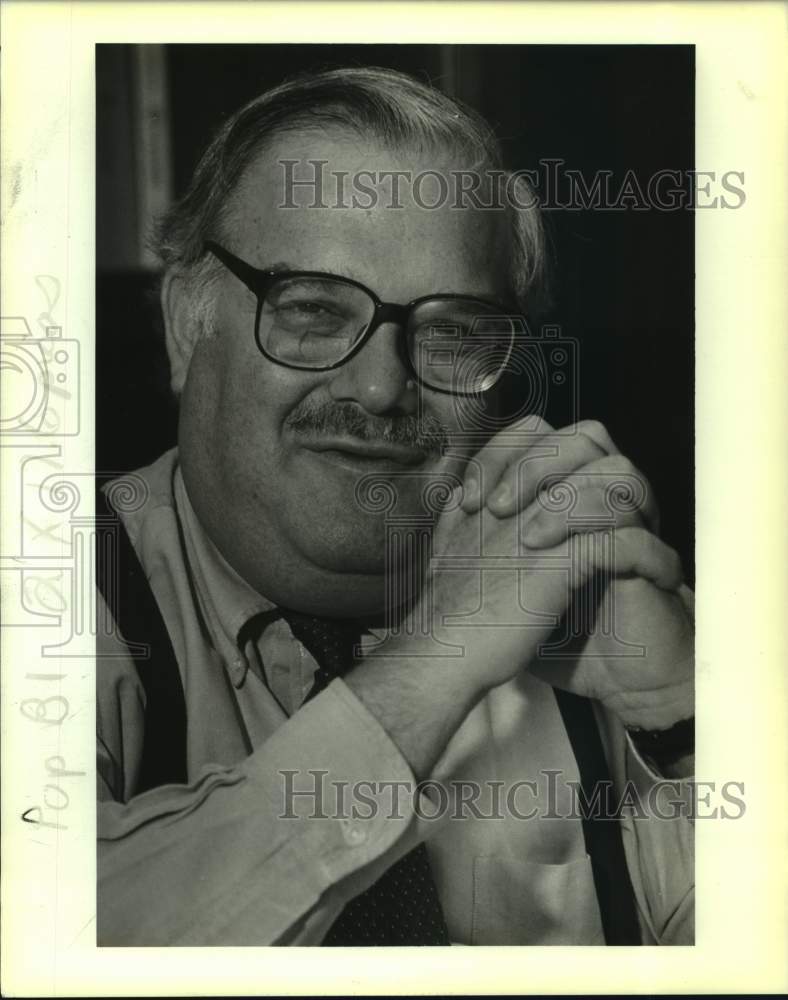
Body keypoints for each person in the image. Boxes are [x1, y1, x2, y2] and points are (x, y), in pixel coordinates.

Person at [97, 66, 694, 947]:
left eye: (450, 331)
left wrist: (683, 716)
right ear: (189, 321)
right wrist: (433, 666)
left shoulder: (585, 597)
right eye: (310, 311)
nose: (381, 388)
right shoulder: (57, 584)